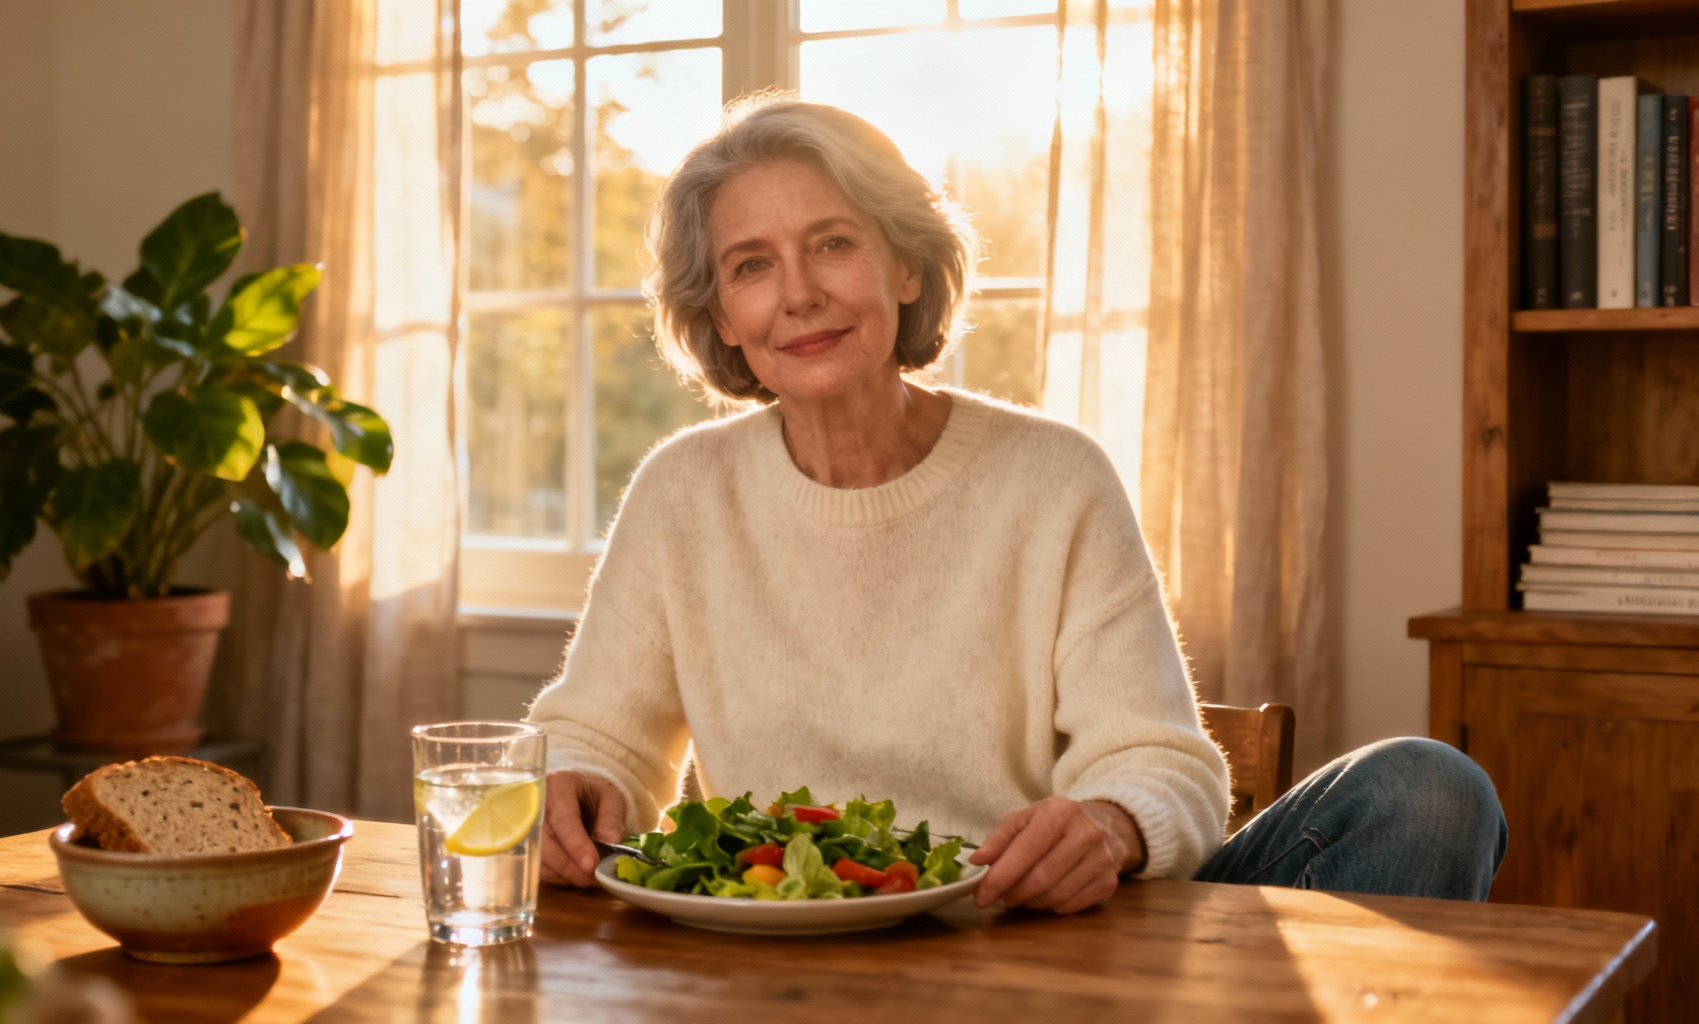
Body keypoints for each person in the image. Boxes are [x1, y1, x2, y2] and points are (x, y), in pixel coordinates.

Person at [526, 97, 1506, 912]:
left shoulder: (1051, 477)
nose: (797, 295)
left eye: (831, 244)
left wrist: (1113, 824)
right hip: (772, 954)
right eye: (750, 266)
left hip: (1034, 936)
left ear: (903, 266)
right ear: (721, 323)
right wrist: (576, 790)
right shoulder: (682, 491)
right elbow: (599, 738)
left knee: (1428, 791)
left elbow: (1156, 758)